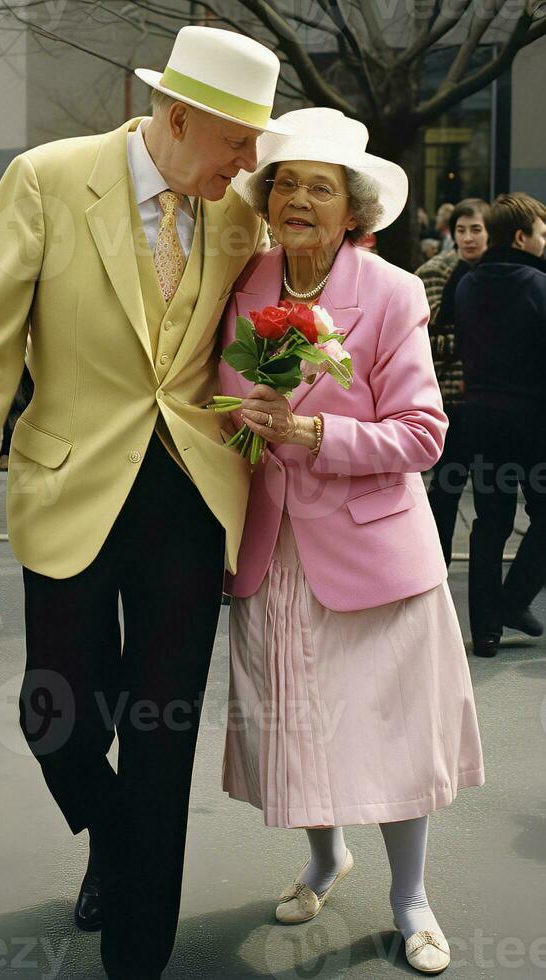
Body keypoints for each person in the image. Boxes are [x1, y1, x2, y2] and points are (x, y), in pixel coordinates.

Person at [0, 26, 281, 980]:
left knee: (161, 734)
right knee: (62, 716)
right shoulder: (46, 178)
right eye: (238, 143)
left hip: (193, 497)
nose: (252, 165)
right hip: (70, 481)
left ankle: (137, 951)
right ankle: (119, 845)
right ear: (177, 116)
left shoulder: (238, 210)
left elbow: (253, 334)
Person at [219, 107, 485, 975]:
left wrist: (313, 437)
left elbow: (421, 434)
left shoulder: (392, 291)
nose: (295, 199)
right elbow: (218, 403)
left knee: (391, 732)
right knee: (298, 725)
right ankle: (327, 857)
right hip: (272, 550)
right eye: (283, 183)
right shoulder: (244, 280)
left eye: (317, 188)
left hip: (371, 554)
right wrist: (243, 429)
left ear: (351, 209)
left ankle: (410, 896)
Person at [455, 192, 546, 658]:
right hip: (533, 421)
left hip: (481, 418)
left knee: (490, 522)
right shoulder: (537, 284)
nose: (544, 242)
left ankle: (485, 631)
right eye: (541, 234)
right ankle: (513, 601)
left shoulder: (468, 285)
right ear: (520, 236)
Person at [418, 198, 490, 565]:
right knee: (446, 489)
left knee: (491, 497)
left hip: (489, 402)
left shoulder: (498, 272)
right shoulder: (433, 272)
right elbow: (422, 338)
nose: (469, 238)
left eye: (476, 229)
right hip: (448, 399)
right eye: (462, 230)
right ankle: (435, 564)